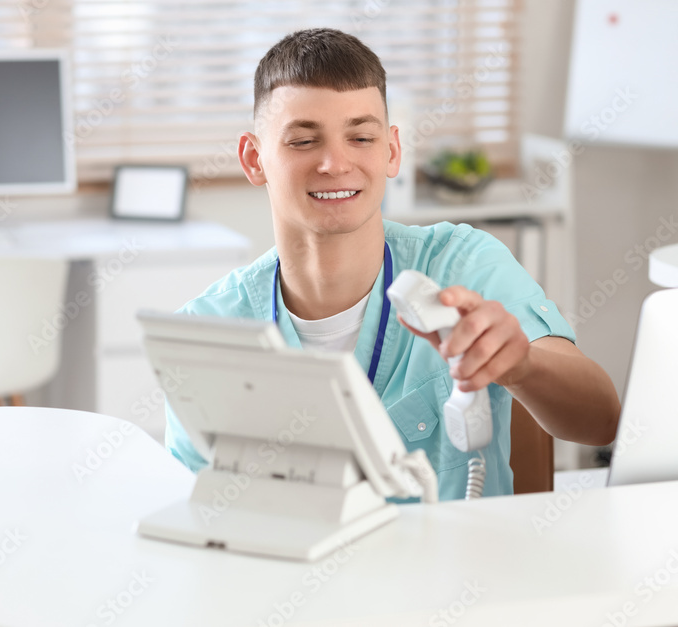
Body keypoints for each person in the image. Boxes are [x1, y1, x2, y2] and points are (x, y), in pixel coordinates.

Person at [164, 28, 621, 499]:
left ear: (392, 150)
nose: (334, 163)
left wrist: (522, 365)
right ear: (254, 158)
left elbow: (602, 421)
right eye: (303, 141)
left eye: (361, 137)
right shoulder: (207, 330)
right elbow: (195, 515)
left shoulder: (464, 264)